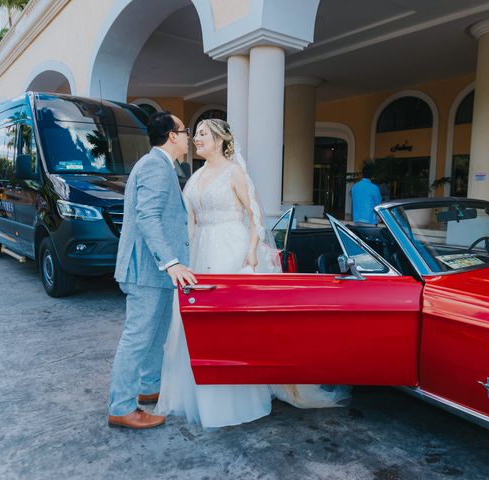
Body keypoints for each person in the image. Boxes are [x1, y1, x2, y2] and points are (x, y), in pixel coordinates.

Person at [155, 118, 350, 428]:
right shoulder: (195, 176)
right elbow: (189, 219)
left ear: (220, 139)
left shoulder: (235, 172)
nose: (196, 140)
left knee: (228, 325)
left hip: (230, 250)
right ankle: (195, 395)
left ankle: (235, 399)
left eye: (203, 134)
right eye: (195, 135)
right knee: (196, 321)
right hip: (201, 250)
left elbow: (255, 216)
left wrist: (251, 250)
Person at [108, 112, 197, 429]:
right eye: (185, 131)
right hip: (147, 271)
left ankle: (147, 390)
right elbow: (147, 218)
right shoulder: (154, 166)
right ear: (172, 136)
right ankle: (121, 407)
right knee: (137, 339)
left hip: (154, 272)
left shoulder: (163, 166)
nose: (188, 137)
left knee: (153, 336)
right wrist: (171, 262)